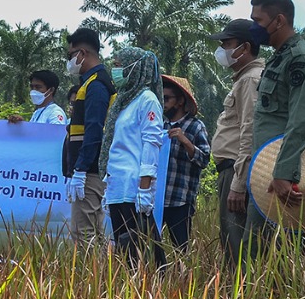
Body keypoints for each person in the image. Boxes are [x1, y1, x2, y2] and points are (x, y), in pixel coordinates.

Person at [247, 0, 305, 256]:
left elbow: (301, 120)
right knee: (258, 254)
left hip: (289, 177)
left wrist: (284, 173)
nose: (254, 27)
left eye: (258, 21)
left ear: (279, 20)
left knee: (288, 258)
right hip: (267, 172)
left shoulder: (300, 59)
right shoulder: (280, 58)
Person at [98, 47, 166, 268]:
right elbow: (116, 145)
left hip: (134, 187)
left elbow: (151, 143)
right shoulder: (123, 101)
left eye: (119, 64)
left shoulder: (147, 99)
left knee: (141, 252)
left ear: (133, 67)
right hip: (118, 185)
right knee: (124, 250)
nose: (115, 69)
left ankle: (152, 292)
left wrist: (145, 188)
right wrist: (108, 185)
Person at [207, 19, 265, 268]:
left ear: (245, 47)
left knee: (236, 243)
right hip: (230, 170)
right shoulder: (243, 79)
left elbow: (249, 132)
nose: (222, 50)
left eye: (227, 44)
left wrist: (238, 184)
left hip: (235, 171)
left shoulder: (250, 80)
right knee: (232, 240)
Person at [62, 28, 116, 243]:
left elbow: (94, 130)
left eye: (71, 55)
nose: (69, 61)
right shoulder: (91, 83)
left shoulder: (96, 85)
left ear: (82, 53)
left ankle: (89, 276)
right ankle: (100, 275)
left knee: (83, 233)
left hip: (91, 171)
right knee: (92, 231)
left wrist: (81, 169)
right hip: (90, 169)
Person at [159, 75, 210, 257]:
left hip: (180, 199)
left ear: (180, 101)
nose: (163, 103)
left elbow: (204, 159)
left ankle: (184, 281)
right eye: (161, 98)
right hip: (157, 199)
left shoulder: (195, 126)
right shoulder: (160, 126)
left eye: (167, 98)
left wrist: (185, 141)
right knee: (151, 246)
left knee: (181, 250)